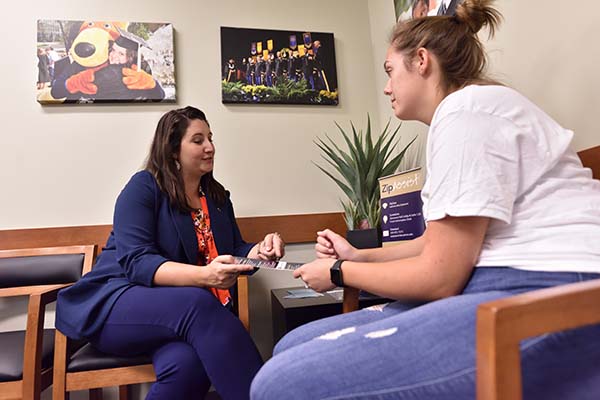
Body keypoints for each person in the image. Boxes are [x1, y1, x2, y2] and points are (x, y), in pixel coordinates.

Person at [250, 1, 600, 399]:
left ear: (420, 60)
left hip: (558, 291)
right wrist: (357, 257)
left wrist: (337, 274)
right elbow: (439, 245)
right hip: (511, 280)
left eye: (389, 72)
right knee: (291, 345)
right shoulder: (471, 110)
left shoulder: (466, 112)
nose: (386, 87)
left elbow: (439, 276)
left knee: (279, 384)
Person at [56, 106, 285, 400]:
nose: (210, 147)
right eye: (198, 140)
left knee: (187, 365)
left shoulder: (216, 197)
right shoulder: (143, 187)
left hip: (173, 315)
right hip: (115, 303)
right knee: (197, 302)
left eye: (211, 138)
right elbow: (137, 263)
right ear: (173, 150)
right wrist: (204, 276)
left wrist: (260, 251)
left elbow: (234, 250)